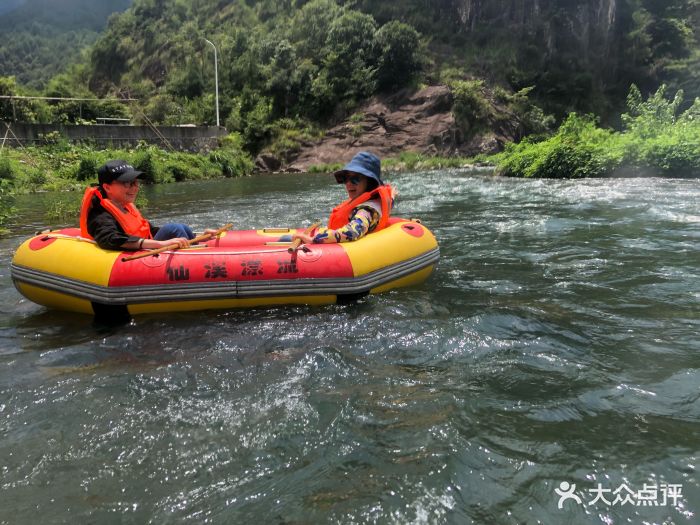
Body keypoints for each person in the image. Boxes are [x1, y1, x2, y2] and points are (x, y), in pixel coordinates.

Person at [79, 159, 211, 251]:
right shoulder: (100, 215)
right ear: (107, 187)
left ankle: (196, 245)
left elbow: (149, 231)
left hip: (144, 247)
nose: (135, 188)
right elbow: (111, 238)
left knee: (181, 228)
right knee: (174, 229)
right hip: (132, 256)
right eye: (127, 183)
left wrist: (199, 237)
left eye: (136, 183)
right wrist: (160, 244)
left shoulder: (125, 206)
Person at [292, 151, 395, 245]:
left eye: (355, 179)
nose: (349, 183)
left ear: (370, 182)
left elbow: (352, 232)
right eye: (346, 179)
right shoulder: (375, 202)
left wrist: (313, 239)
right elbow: (390, 201)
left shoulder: (366, 210)